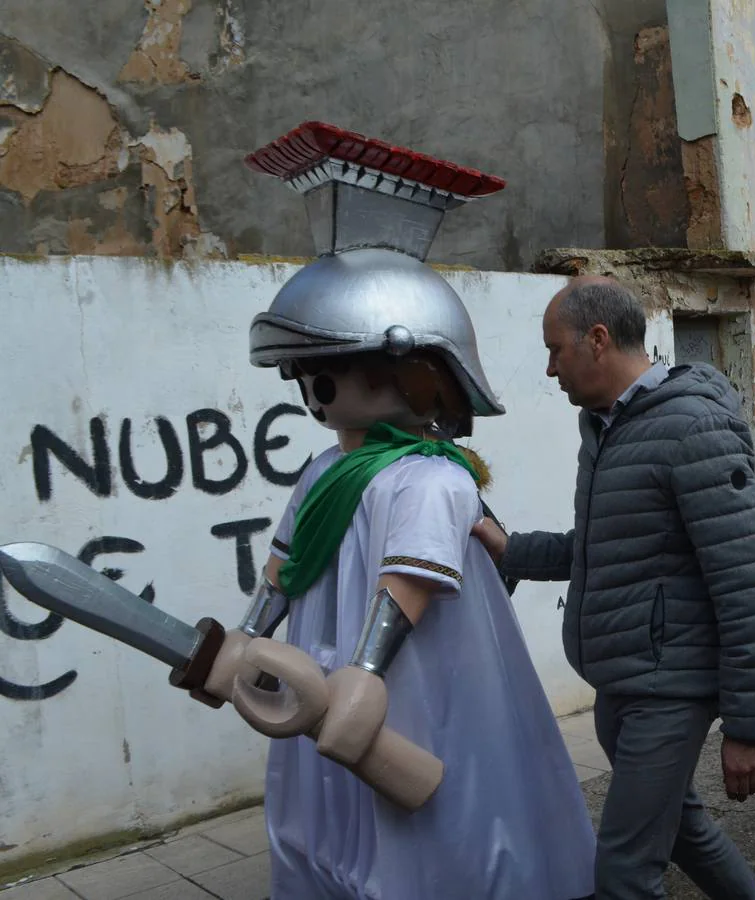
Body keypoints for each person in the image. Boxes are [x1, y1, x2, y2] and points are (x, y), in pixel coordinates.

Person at [239, 123, 595, 898]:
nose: (314, 393)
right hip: (325, 676)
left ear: (410, 369)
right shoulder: (326, 468)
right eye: (307, 377)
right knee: (324, 816)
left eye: (330, 374)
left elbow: (410, 579)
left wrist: (366, 673)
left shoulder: (431, 477)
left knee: (432, 827)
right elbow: (286, 563)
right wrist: (244, 639)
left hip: (411, 680)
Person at [472, 276, 755, 899]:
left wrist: (749, 727)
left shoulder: (691, 428)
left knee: (622, 873)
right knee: (683, 830)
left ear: (599, 339)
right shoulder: (609, 425)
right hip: (626, 682)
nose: (550, 367)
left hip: (668, 688)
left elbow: (746, 584)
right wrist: (509, 548)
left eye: (555, 349)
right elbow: (602, 547)